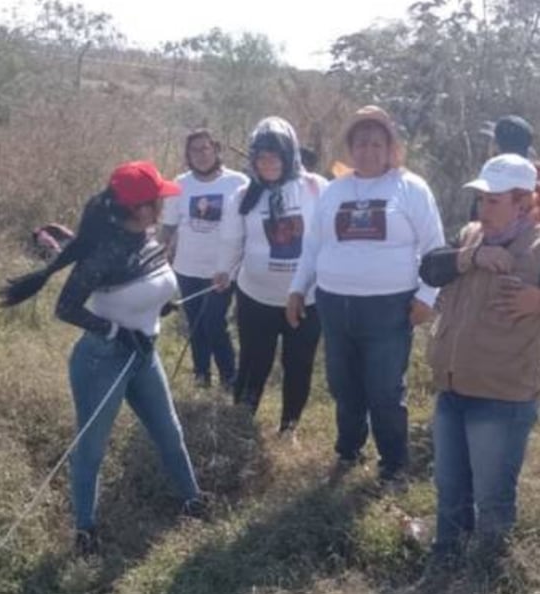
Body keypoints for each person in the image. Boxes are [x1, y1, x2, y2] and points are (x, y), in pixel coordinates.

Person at [1, 160, 207, 557]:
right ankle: (85, 529)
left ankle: (194, 499)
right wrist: (114, 330)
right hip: (103, 360)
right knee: (92, 448)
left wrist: (160, 308)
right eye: (157, 200)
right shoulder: (104, 251)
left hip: (143, 353)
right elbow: (65, 307)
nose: (163, 205)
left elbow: (145, 289)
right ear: (139, 208)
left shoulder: (148, 239)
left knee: (170, 432)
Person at [287, 106, 444, 489]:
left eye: (377, 142)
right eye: (361, 142)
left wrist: (426, 297)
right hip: (334, 304)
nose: (368, 150)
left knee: (384, 388)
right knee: (344, 384)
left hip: (388, 308)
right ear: (350, 147)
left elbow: (436, 249)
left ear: (391, 147)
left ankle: (393, 465)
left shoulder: (410, 187)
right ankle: (349, 450)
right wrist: (297, 288)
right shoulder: (334, 190)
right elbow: (313, 245)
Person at [420, 153, 540, 570]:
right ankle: (445, 563)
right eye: (481, 199)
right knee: (449, 487)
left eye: (494, 200)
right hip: (452, 390)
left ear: (523, 203)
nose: (482, 209)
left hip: (502, 398)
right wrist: (470, 258)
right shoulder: (471, 235)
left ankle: (484, 577)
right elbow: (431, 267)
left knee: (492, 496)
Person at [214, 117, 327, 435]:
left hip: (307, 298)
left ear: (290, 156)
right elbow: (230, 239)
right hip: (256, 298)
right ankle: (241, 424)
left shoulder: (316, 188)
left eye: (275, 156)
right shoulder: (244, 195)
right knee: (253, 362)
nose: (268, 164)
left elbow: (331, 234)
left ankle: (289, 428)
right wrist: (223, 271)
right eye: (261, 157)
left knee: (298, 365)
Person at [160, 129, 249, 389]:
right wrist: (155, 256)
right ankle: (201, 377)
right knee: (195, 324)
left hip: (222, 270)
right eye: (194, 150)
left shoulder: (238, 183)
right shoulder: (180, 184)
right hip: (186, 267)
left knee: (214, 323)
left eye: (205, 148)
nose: (200, 155)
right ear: (187, 155)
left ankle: (228, 379)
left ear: (216, 150)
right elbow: (168, 226)